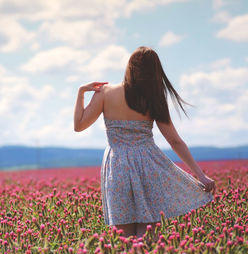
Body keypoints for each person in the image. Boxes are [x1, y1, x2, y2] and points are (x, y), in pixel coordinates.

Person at [73, 46, 215, 240]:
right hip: (149, 164)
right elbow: (174, 140)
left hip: (117, 166)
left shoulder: (105, 93)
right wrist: (200, 175)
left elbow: (79, 125)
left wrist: (81, 92)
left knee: (124, 237)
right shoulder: (154, 98)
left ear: (130, 67)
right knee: (148, 234)